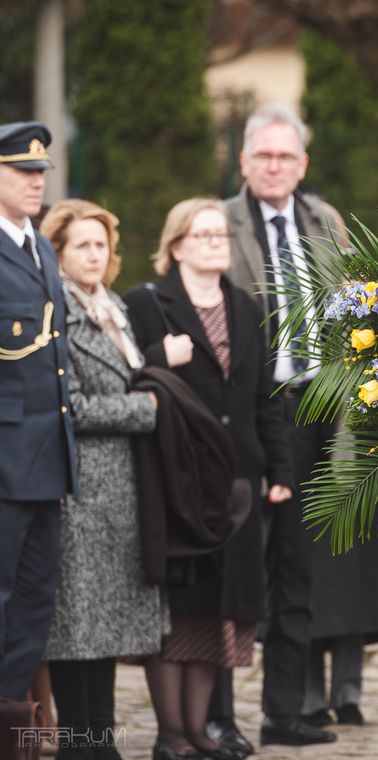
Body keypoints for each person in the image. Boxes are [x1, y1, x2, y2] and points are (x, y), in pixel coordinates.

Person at [212, 103, 367, 748]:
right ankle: (214, 713)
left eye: (286, 157)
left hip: (311, 411)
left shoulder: (323, 222)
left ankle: (286, 710)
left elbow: (359, 295)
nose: (274, 167)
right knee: (234, 565)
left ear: (302, 165)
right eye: (263, 156)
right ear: (244, 162)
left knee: (297, 565)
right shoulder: (218, 224)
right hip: (245, 415)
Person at [124, 198, 294, 760]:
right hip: (177, 478)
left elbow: (266, 396)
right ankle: (169, 735)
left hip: (239, 479)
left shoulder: (246, 307)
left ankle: (198, 732)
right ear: (175, 247)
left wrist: (279, 468)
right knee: (179, 606)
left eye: (221, 234)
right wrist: (156, 355)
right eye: (202, 235)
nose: (216, 242)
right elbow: (119, 376)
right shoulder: (147, 304)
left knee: (222, 607)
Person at [39, 200, 165, 759]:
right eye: (82, 245)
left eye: (102, 244)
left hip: (124, 490)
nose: (96, 254)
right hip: (80, 492)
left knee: (106, 631)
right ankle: (79, 745)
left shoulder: (111, 304)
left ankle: (103, 743)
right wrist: (143, 411)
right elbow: (66, 405)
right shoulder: (56, 310)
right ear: (58, 254)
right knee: (77, 631)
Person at [0, 121, 75, 700]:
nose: (35, 182)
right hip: (5, 461)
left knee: (32, 605)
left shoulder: (40, 246)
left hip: (47, 457)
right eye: (21, 172)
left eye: (40, 173)